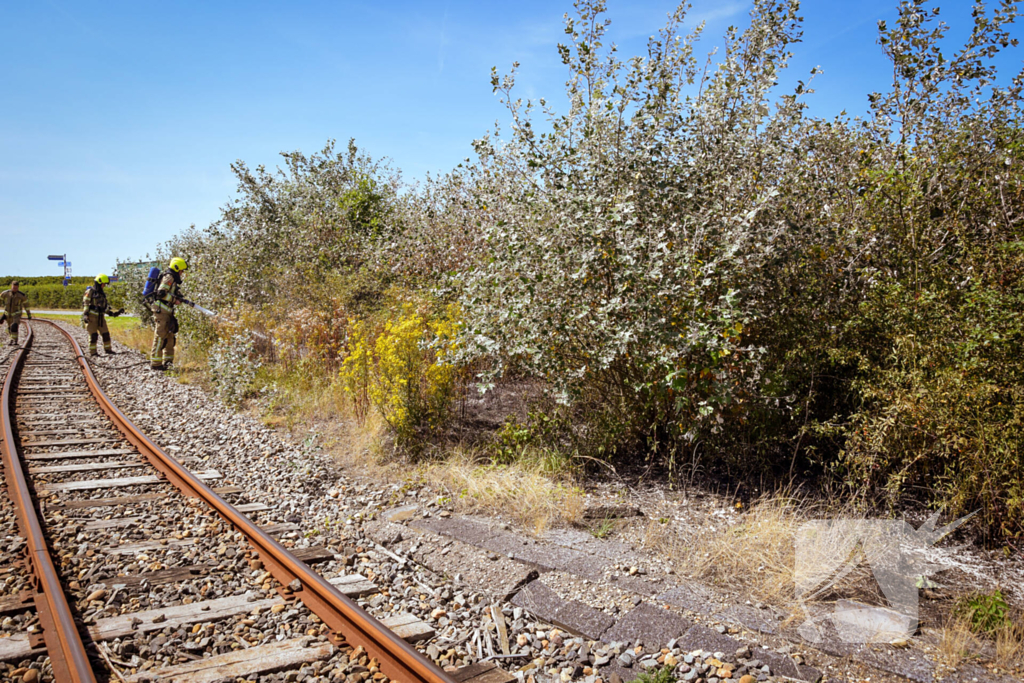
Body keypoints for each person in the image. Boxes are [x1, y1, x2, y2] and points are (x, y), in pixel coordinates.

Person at [150, 257, 189, 370]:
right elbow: (161, 293)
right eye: (181, 271)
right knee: (161, 335)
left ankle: (168, 362)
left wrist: (179, 297)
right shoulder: (169, 277)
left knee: (170, 336)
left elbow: (170, 292)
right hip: (161, 310)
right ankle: (156, 364)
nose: (181, 273)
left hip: (167, 310)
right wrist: (174, 300)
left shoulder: (173, 279)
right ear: (176, 269)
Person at [82, 273, 124, 356]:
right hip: (92, 317)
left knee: (106, 334)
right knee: (93, 335)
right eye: (103, 284)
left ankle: (108, 350)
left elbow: (104, 307)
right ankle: (93, 353)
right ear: (99, 283)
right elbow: (86, 304)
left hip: (101, 317)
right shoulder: (90, 292)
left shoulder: (102, 294)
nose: (104, 286)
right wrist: (85, 315)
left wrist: (113, 313)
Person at [0, 281, 31, 346]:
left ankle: (15, 341)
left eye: (16, 288)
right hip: (7, 314)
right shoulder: (5, 293)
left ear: (18, 287)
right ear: (11, 286)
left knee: (14, 326)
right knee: (9, 328)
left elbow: (26, 305)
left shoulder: (21, 295)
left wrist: (29, 314)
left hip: (16, 314)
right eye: (13, 287)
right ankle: (11, 339)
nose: (14, 289)